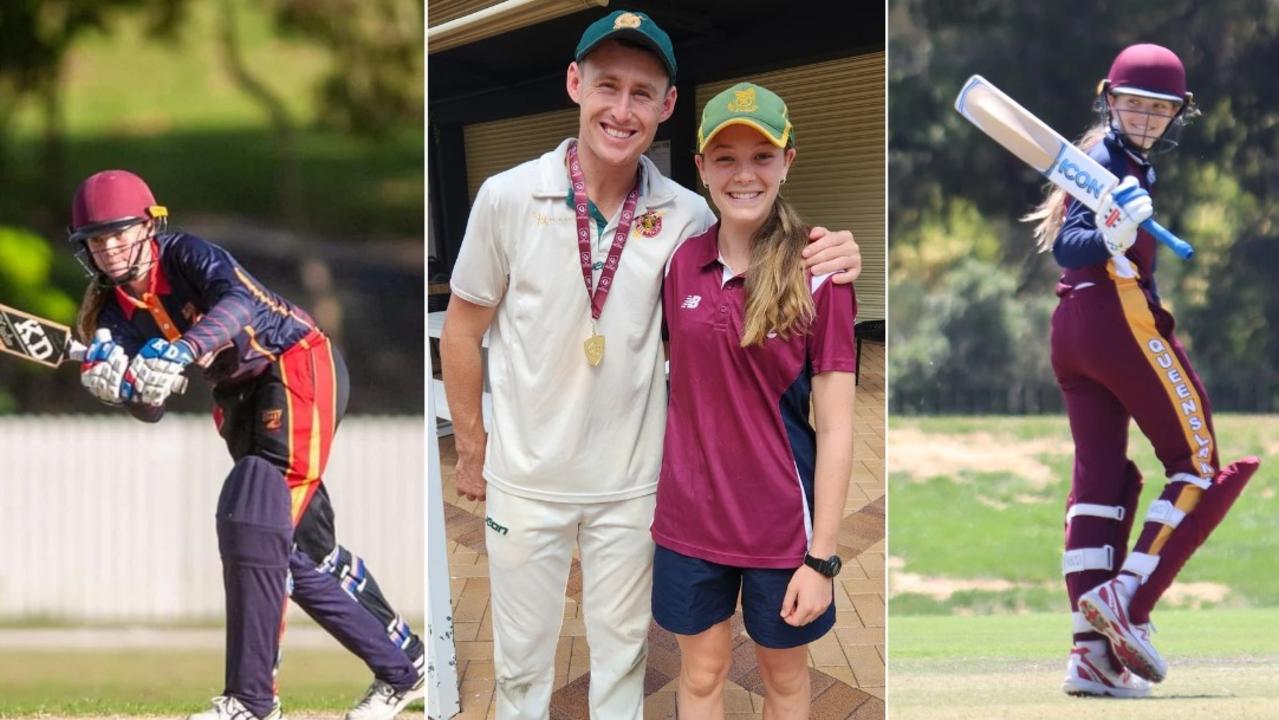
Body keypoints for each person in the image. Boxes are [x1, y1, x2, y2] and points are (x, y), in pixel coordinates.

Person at [440, 10, 861, 719]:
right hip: (526, 479)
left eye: (643, 93)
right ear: (575, 84)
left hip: (635, 489)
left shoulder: (687, 215)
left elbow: (761, 239)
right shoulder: (506, 196)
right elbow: (461, 330)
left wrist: (833, 253)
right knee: (519, 671)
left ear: (667, 109)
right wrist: (472, 447)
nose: (621, 108)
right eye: (607, 85)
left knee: (622, 663)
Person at [69, 169, 424, 720]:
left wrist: (182, 351)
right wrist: (122, 387)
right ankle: (404, 663)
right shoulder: (115, 315)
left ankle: (251, 700)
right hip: (239, 398)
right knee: (298, 548)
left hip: (296, 364)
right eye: (97, 239)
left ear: (148, 226)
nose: (110, 249)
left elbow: (239, 302)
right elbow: (151, 409)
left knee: (251, 519)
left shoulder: (185, 254)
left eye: (119, 233)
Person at [1023, 43, 1259, 697]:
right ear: (1108, 100)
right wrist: (1115, 232)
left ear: (1176, 114)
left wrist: (1116, 221)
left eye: (1160, 110)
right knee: (1196, 463)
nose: (1146, 118)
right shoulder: (1102, 161)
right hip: (1116, 322)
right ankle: (1126, 597)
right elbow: (1070, 246)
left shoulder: (1122, 164)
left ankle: (1088, 656)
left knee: (1097, 485)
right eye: (1134, 104)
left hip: (1072, 331)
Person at [650, 82, 856, 718]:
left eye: (762, 155)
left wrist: (822, 558)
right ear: (701, 168)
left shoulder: (820, 272)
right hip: (688, 525)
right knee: (703, 676)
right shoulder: (678, 264)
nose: (744, 174)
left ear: (788, 161)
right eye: (726, 157)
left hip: (781, 534)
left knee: (786, 683)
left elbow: (840, 428)